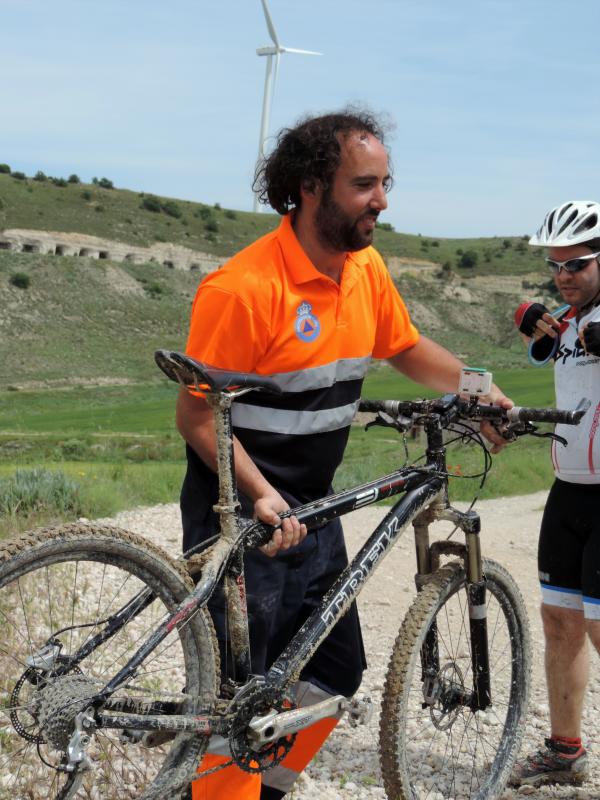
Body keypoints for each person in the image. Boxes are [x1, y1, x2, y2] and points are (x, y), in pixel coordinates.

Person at [176, 108, 511, 800]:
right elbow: (197, 418)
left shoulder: (366, 270)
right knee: (238, 702)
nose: (381, 200)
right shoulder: (244, 288)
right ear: (309, 187)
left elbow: (405, 346)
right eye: (364, 185)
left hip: (315, 509)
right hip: (242, 508)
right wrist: (261, 495)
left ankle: (262, 793)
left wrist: (481, 389)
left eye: (386, 183)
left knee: (334, 670)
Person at [511, 200, 600, 788]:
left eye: (578, 264)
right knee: (560, 620)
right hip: (569, 490)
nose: (564, 275)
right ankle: (566, 751)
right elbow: (535, 329)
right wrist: (529, 314)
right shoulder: (567, 322)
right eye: (556, 265)